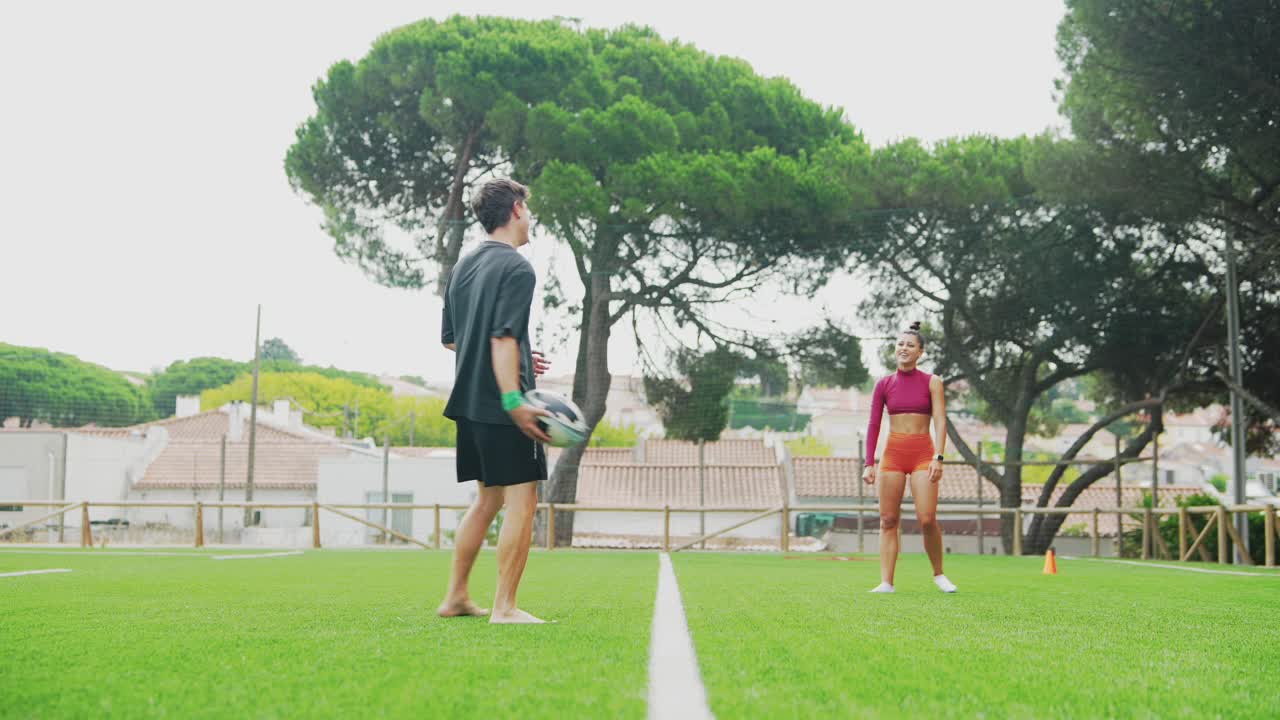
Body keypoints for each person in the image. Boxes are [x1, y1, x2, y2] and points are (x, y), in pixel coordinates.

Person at [436, 178, 555, 624]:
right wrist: (514, 399)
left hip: (467, 402)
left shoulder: (463, 267)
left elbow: (454, 340)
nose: (531, 218)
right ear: (518, 209)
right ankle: (505, 606)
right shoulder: (518, 268)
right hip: (503, 406)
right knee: (522, 502)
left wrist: (523, 354)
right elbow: (501, 337)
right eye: (530, 209)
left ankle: (456, 597)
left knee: (486, 502)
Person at [862, 322, 957, 594]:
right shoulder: (884, 384)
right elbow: (873, 425)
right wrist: (869, 462)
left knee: (927, 519)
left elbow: (940, 421)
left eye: (910, 345)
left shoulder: (932, 382)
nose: (903, 349)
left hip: (923, 455)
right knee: (888, 520)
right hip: (892, 456)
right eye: (900, 344)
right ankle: (886, 582)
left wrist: (939, 457)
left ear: (921, 352)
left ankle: (939, 574)